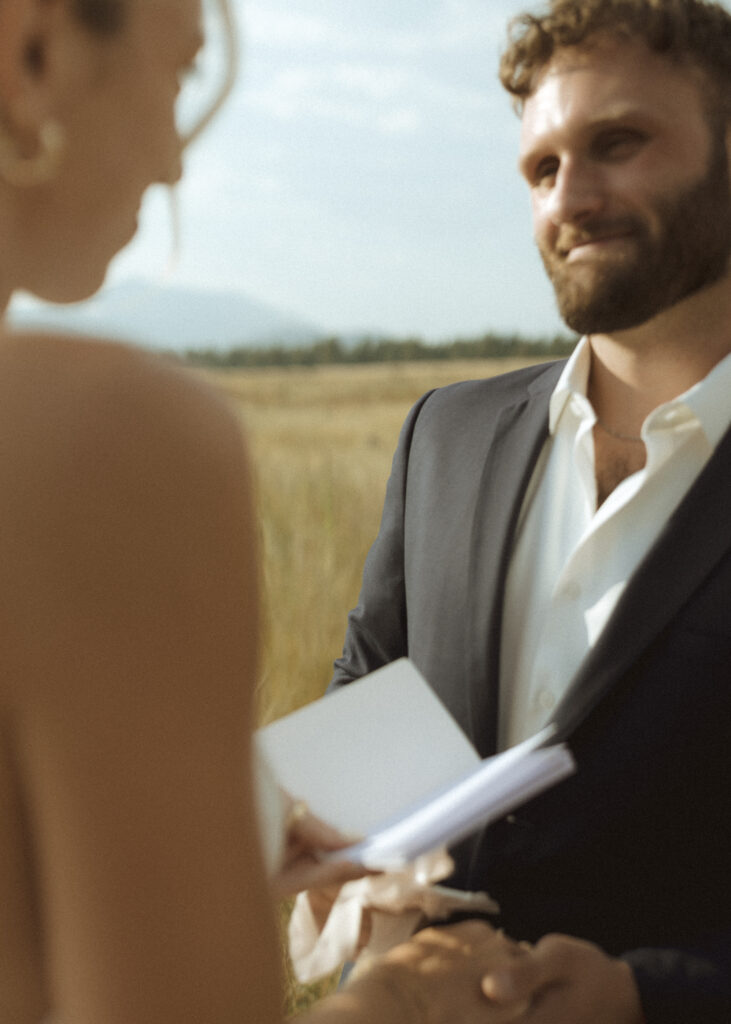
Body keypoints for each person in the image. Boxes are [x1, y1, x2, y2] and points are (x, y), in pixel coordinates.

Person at [0, 1, 534, 1022]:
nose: (171, 161)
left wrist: (215, 830)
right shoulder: (104, 444)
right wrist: (400, 1001)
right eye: (179, 77)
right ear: (35, 49)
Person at [329, 0, 731, 1021]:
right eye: (540, 169)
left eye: (617, 143)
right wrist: (342, 874)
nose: (570, 197)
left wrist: (645, 994)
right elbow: (366, 718)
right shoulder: (445, 439)